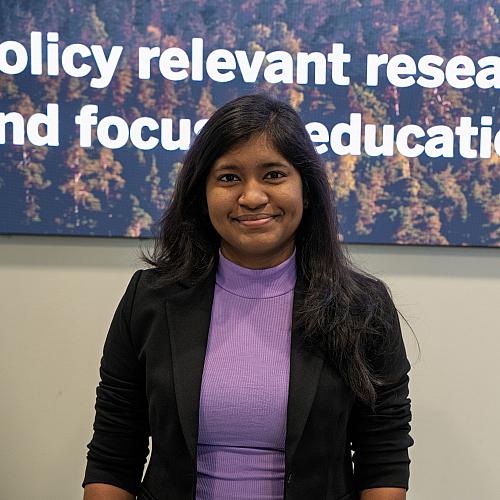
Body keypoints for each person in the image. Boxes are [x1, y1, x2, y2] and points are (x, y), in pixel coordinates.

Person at [82, 94, 413, 500]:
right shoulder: (150, 299)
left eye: (273, 174)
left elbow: (383, 459)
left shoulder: (362, 307)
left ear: (306, 190)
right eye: (228, 178)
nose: (252, 197)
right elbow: (114, 453)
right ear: (201, 194)